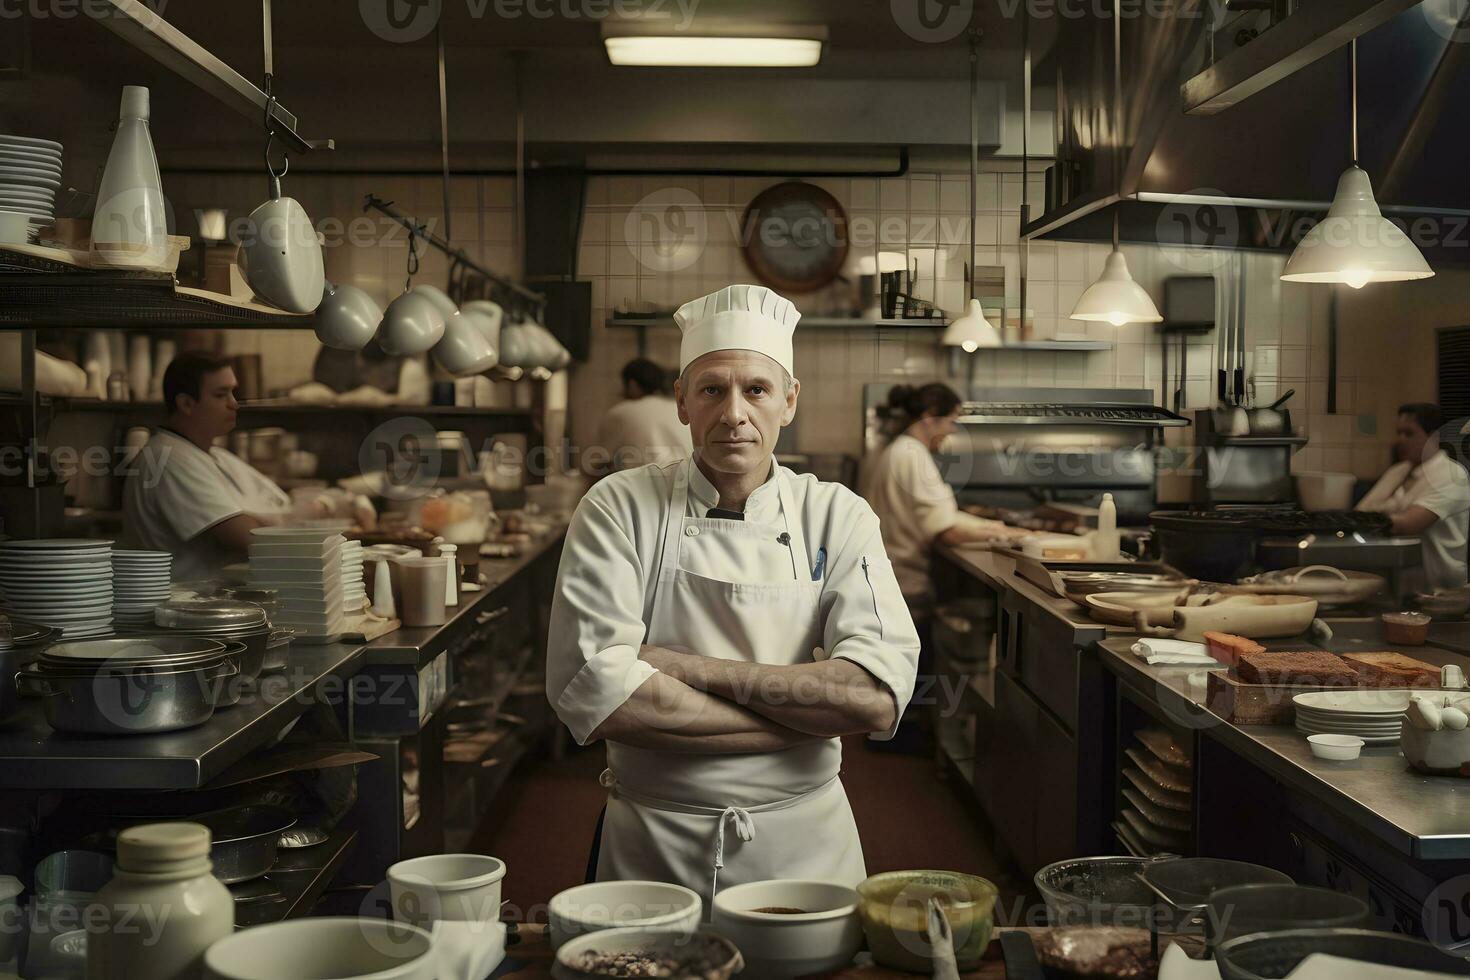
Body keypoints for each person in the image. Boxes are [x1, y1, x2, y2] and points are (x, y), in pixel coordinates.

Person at [546, 284, 920, 905]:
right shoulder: (616, 507)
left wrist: (683, 667)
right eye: (713, 389)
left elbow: (874, 699)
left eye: (757, 390)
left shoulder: (837, 515)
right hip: (653, 845)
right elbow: (601, 698)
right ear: (683, 403)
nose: (734, 414)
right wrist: (803, 718)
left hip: (806, 846)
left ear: (790, 401)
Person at [123, 352, 290, 580]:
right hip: (181, 605)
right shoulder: (169, 458)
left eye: (233, 393)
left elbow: (284, 508)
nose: (234, 404)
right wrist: (268, 521)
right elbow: (248, 538)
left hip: (212, 602)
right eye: (221, 395)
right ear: (186, 404)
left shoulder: (214, 455)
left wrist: (268, 519)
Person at [864, 382, 1027, 615]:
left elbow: (943, 517)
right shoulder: (912, 455)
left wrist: (995, 526)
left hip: (893, 582)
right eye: (951, 421)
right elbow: (948, 531)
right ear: (930, 416)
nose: (953, 431)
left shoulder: (898, 450)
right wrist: (1010, 536)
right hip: (905, 588)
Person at [1357, 402, 1470, 591]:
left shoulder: (1451, 474)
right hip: (1395, 582)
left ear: (1434, 436)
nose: (1400, 440)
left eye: (1409, 433)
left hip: (1439, 590)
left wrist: (1359, 520)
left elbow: (1409, 524)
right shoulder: (1398, 471)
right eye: (1398, 433)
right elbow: (1361, 511)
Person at [585, 358, 693, 477]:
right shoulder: (681, 409)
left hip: (643, 489)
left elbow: (597, 464)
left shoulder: (621, 413)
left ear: (632, 385)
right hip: (686, 486)